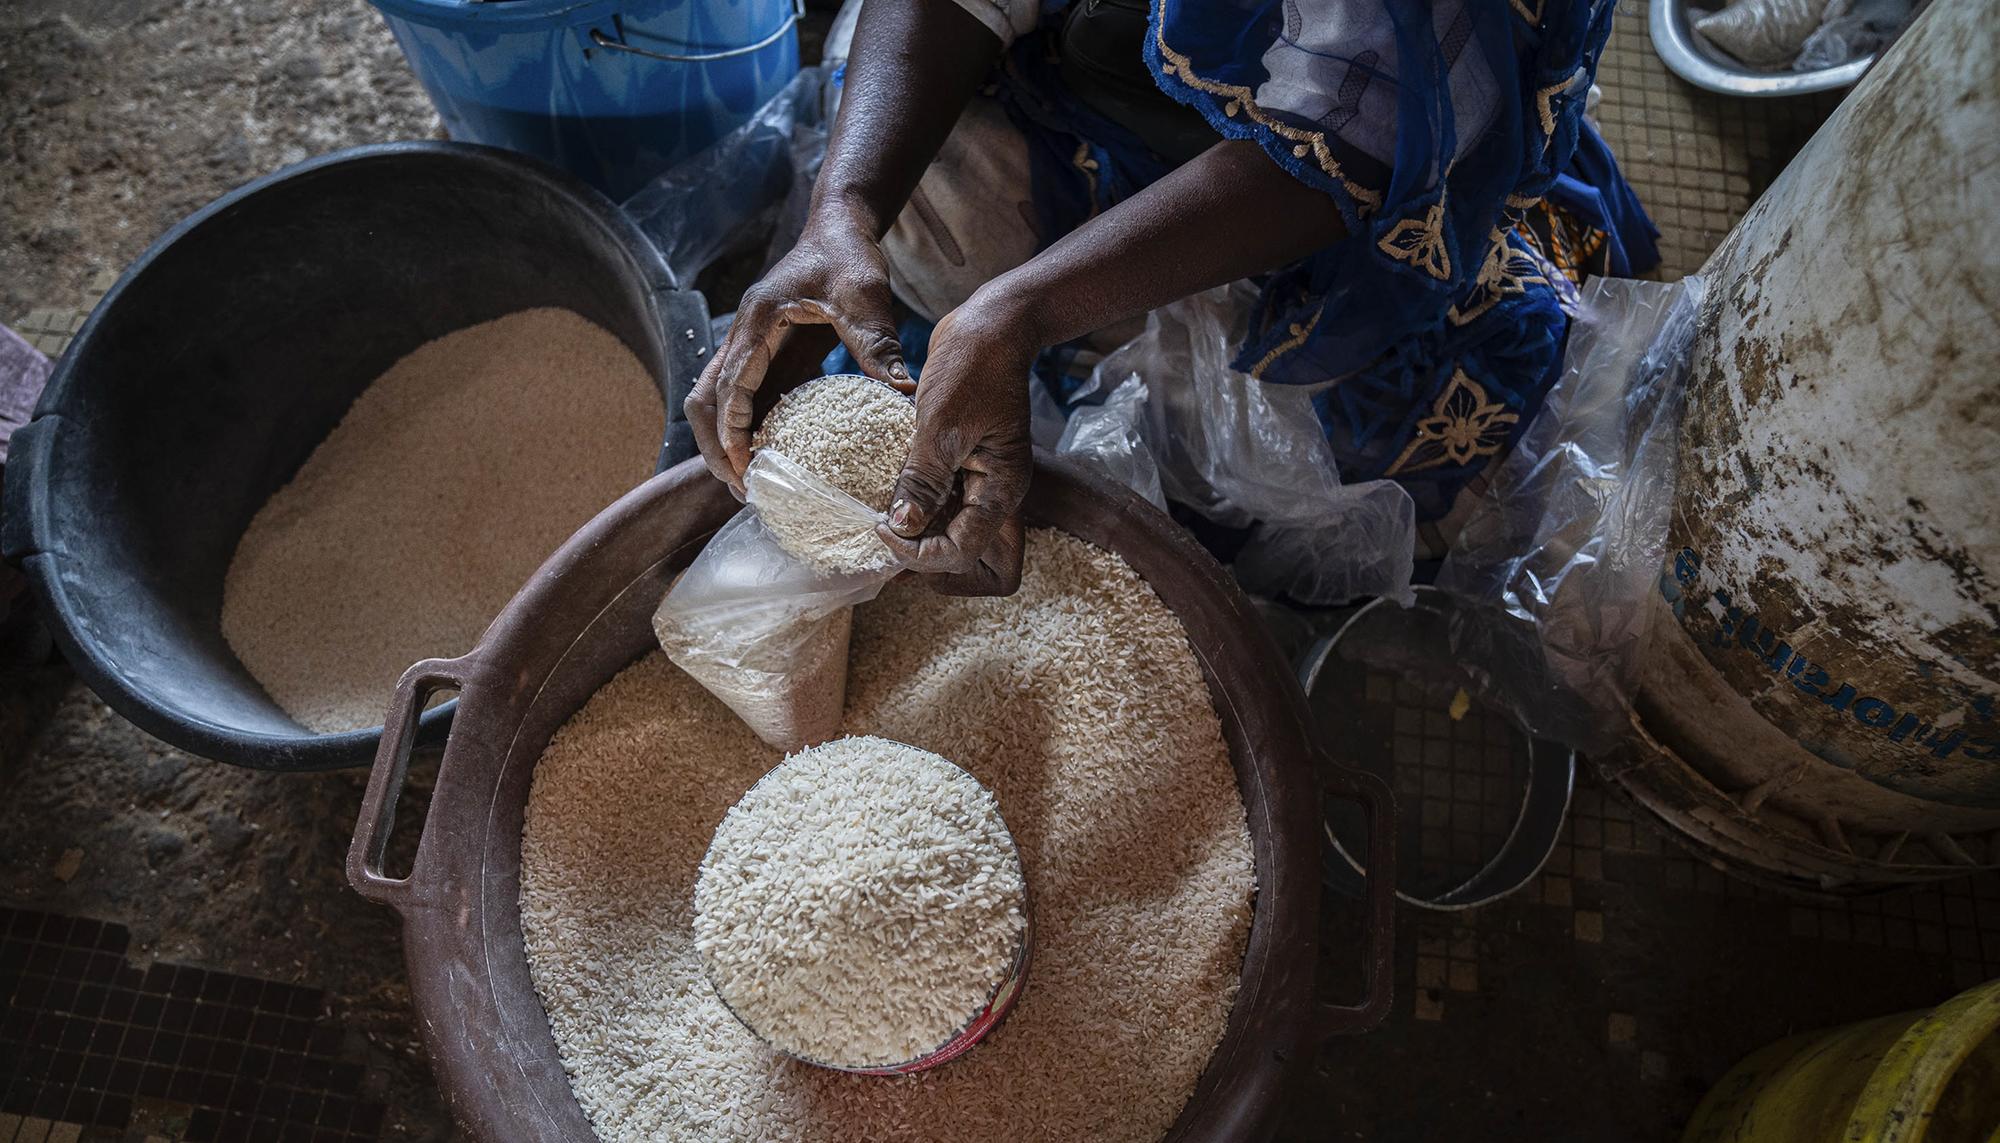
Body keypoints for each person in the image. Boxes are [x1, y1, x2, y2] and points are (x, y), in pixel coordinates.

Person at [686, 0, 1659, 597]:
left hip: (1334, 166)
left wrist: (1016, 313)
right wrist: (842, 211)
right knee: (906, 210)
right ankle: (1053, 308)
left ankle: (1073, 316)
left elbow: (1347, 140)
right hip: (1108, 72)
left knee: (1351, 444)